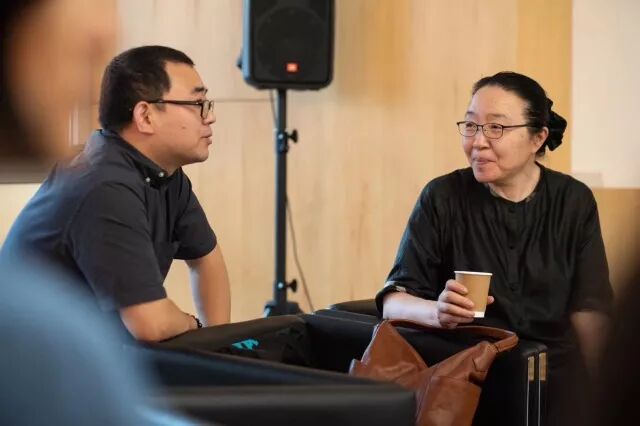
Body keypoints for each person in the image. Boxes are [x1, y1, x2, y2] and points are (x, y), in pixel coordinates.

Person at [376, 71, 613, 424]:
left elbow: (590, 310)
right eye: (471, 126)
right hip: (469, 384)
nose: (479, 141)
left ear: (537, 138)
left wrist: (608, 393)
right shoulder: (443, 197)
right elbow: (393, 301)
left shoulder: (573, 200)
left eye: (496, 128)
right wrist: (438, 311)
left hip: (557, 386)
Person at [2, 45, 232, 342]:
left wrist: (218, 345)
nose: (209, 117)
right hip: (26, 356)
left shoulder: (165, 174)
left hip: (79, 350)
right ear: (145, 116)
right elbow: (150, 323)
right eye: (197, 103)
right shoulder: (102, 184)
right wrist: (194, 325)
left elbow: (207, 259)